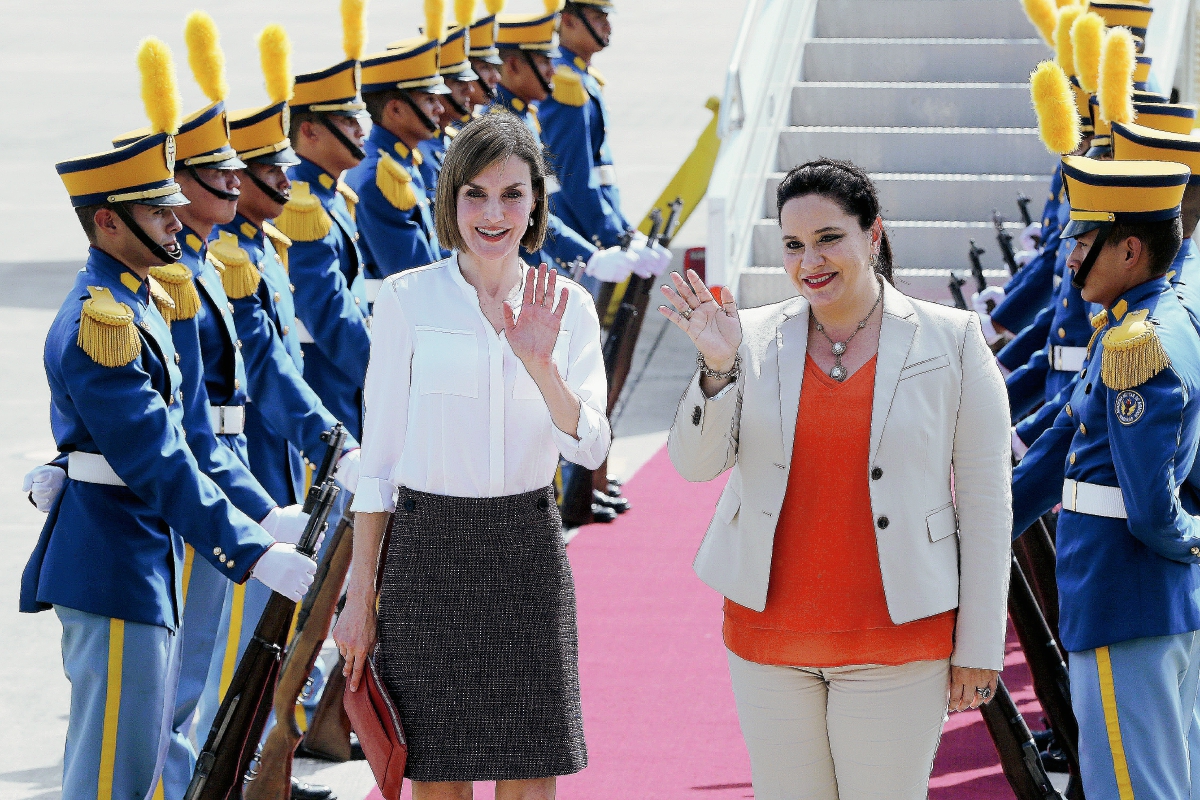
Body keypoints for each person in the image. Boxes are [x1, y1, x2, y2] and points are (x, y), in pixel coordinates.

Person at [19, 38, 316, 799]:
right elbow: (160, 459)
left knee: (146, 760)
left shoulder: (144, 302)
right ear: (109, 223)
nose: (178, 222)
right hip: (114, 559)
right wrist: (251, 549)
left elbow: (192, 441)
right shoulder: (103, 322)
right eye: (159, 210)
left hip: (142, 553)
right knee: (113, 774)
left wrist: (258, 517)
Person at [662, 158, 1012, 799]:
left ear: (872, 235)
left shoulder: (953, 341)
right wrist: (715, 368)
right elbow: (694, 464)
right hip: (768, 639)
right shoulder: (748, 336)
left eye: (828, 238)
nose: (809, 261)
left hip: (901, 641)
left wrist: (980, 644)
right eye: (793, 245)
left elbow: (988, 505)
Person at [333, 111, 610, 798]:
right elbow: (380, 466)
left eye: (513, 194)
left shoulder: (569, 307)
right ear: (450, 198)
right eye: (476, 194)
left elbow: (592, 446)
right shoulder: (405, 300)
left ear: (537, 202)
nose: (494, 213)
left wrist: (540, 363)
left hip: (525, 548)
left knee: (529, 769)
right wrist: (359, 596)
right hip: (427, 554)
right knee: (437, 776)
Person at [1010, 155, 1200, 800]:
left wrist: (1195, 541)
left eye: (1083, 241)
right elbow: (1059, 443)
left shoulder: (1135, 345)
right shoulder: (1131, 325)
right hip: (1143, 600)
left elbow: (1152, 512)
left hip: (1125, 599)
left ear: (1128, 249)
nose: (1068, 255)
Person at [275, 1, 371, 440]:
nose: (361, 131)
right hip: (327, 382)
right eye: (347, 122)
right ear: (310, 132)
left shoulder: (330, 196)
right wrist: (386, 374)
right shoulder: (302, 206)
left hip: (345, 379)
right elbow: (328, 312)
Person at [344, 14, 448, 302]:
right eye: (429, 99)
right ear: (396, 110)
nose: (440, 108)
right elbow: (413, 278)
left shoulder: (401, 162)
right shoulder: (380, 176)